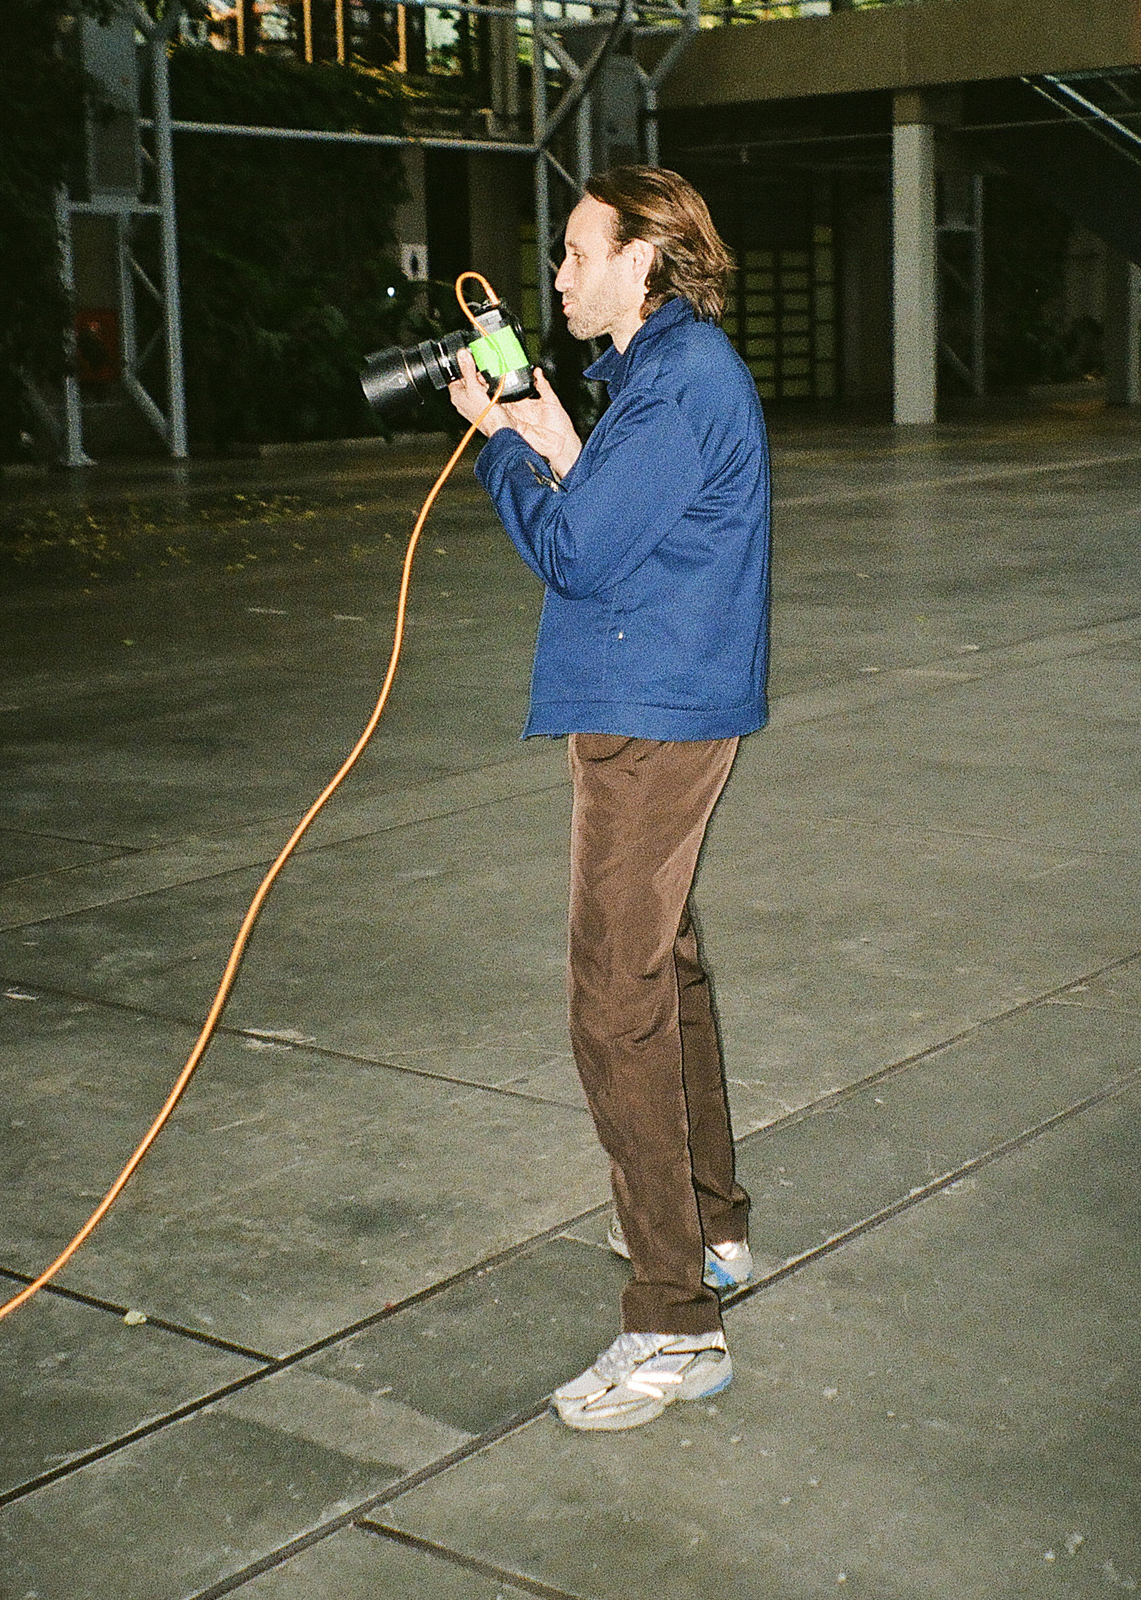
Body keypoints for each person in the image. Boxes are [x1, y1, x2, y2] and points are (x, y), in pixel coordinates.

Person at [449, 166, 770, 1432]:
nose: (559, 275)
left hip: (650, 719)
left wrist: (496, 452)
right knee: (663, 969)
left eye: (579, 253)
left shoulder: (680, 381)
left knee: (612, 1004)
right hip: (661, 696)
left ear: (641, 262)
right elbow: (633, 509)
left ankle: (672, 1322)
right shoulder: (660, 370)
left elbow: (576, 551)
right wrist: (549, 440)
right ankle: (711, 1232)